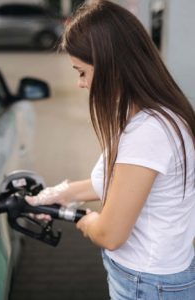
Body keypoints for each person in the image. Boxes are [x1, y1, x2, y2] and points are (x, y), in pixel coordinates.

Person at [26, 0, 195, 299]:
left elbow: (110, 234)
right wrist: (61, 193)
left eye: (81, 72)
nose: (80, 84)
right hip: (147, 277)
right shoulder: (147, 112)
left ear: (109, 66)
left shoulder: (149, 131)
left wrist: (78, 217)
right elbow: (122, 185)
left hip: (148, 283)